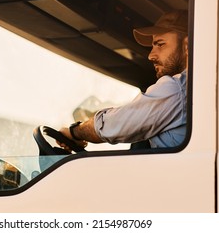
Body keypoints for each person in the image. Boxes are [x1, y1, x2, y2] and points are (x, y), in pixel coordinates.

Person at [59, 9, 189, 150]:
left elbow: (116, 124)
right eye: (153, 46)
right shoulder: (194, 88)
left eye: (160, 44)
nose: (151, 55)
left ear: (187, 46)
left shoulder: (178, 88)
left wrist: (75, 133)